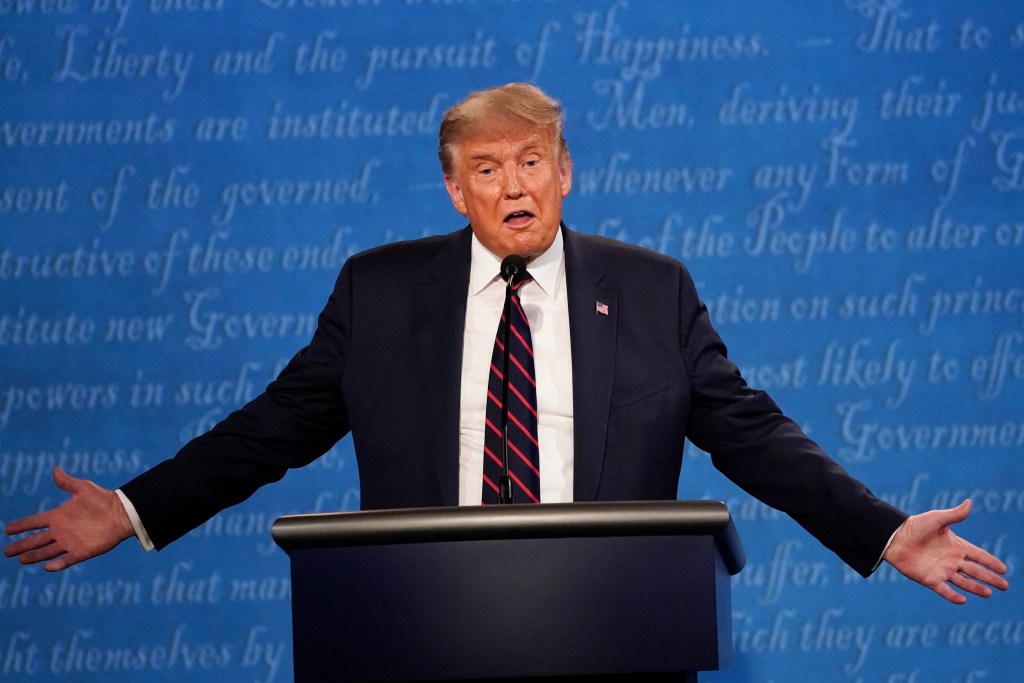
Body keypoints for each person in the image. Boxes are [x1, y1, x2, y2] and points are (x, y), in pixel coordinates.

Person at [4, 83, 1008, 605]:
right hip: (417, 623)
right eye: (487, 168)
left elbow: (751, 433)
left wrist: (878, 529)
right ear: (455, 189)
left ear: (565, 170)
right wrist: (136, 508)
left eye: (532, 159)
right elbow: (270, 429)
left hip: (615, 619)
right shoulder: (381, 290)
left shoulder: (651, 290)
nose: (514, 184)